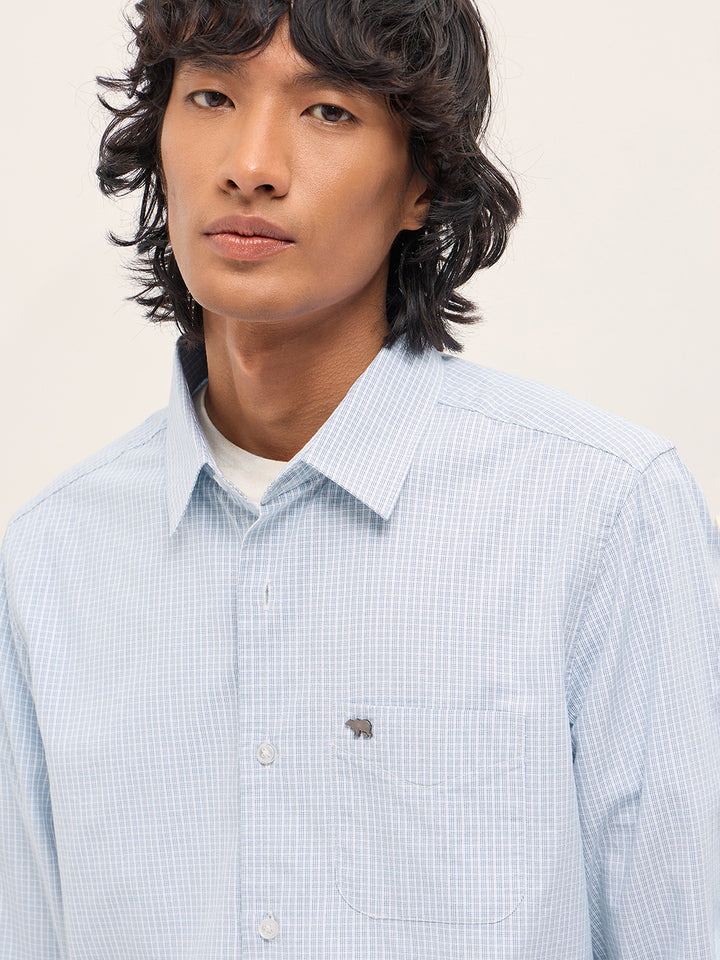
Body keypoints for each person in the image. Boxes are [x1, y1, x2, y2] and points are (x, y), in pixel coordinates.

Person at [1, 0, 718, 956]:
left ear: (423, 179)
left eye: (328, 110)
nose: (250, 164)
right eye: (211, 96)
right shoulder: (50, 563)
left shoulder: (603, 514)